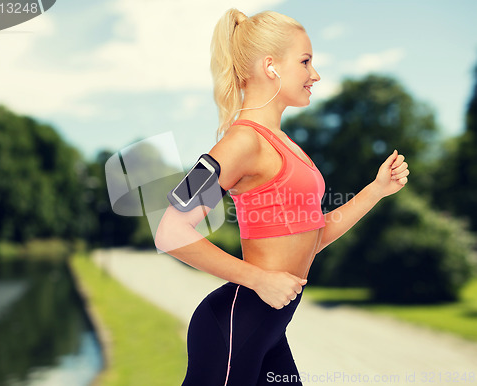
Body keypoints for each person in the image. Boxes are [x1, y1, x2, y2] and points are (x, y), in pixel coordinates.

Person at [155, 8, 409, 386]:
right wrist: (259, 279)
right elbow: (170, 231)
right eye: (306, 62)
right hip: (232, 330)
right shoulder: (241, 142)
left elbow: (312, 237)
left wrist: (375, 191)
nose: (315, 75)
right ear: (270, 66)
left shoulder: (288, 147)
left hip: (269, 331)